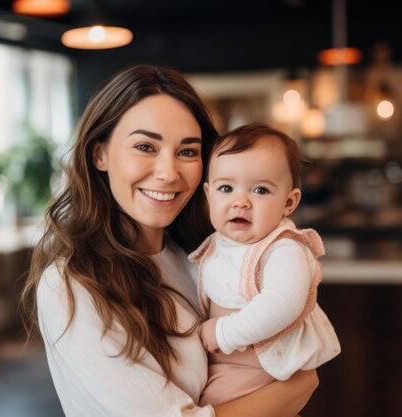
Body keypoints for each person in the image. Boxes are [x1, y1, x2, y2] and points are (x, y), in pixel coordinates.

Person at [19, 64, 319, 417]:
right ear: (99, 154)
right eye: (146, 146)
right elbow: (300, 377)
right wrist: (296, 387)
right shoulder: (73, 282)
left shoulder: (200, 256)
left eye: (188, 152)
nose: (168, 173)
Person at [188, 123, 341, 406]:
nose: (241, 201)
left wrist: (225, 332)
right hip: (226, 362)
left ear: (289, 202)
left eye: (260, 190)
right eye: (226, 188)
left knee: (211, 404)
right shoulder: (216, 243)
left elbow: (283, 302)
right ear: (208, 195)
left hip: (263, 365)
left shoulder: (283, 248)